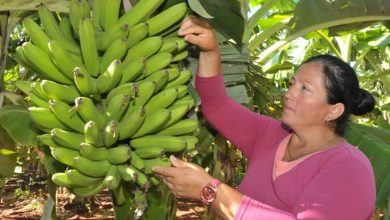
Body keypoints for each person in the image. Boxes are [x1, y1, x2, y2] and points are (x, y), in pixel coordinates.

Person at [152, 15, 377, 220]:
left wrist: (209, 190)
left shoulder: (349, 168)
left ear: (334, 110)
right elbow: (218, 107)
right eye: (292, 84)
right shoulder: (272, 135)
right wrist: (210, 50)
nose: (289, 93)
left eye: (304, 89)